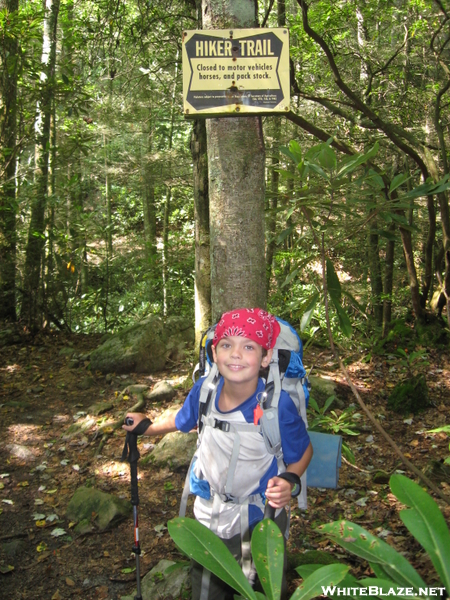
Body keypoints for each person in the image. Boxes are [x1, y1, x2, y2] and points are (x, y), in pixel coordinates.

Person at [123, 308, 313, 600]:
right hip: (207, 520)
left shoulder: (277, 406)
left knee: (263, 592)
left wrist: (290, 479)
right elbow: (182, 420)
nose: (236, 354)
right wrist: (147, 427)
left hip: (259, 520)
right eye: (227, 345)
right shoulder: (204, 391)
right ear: (214, 350)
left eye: (249, 346)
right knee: (207, 592)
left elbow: (303, 451)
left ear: (265, 358)